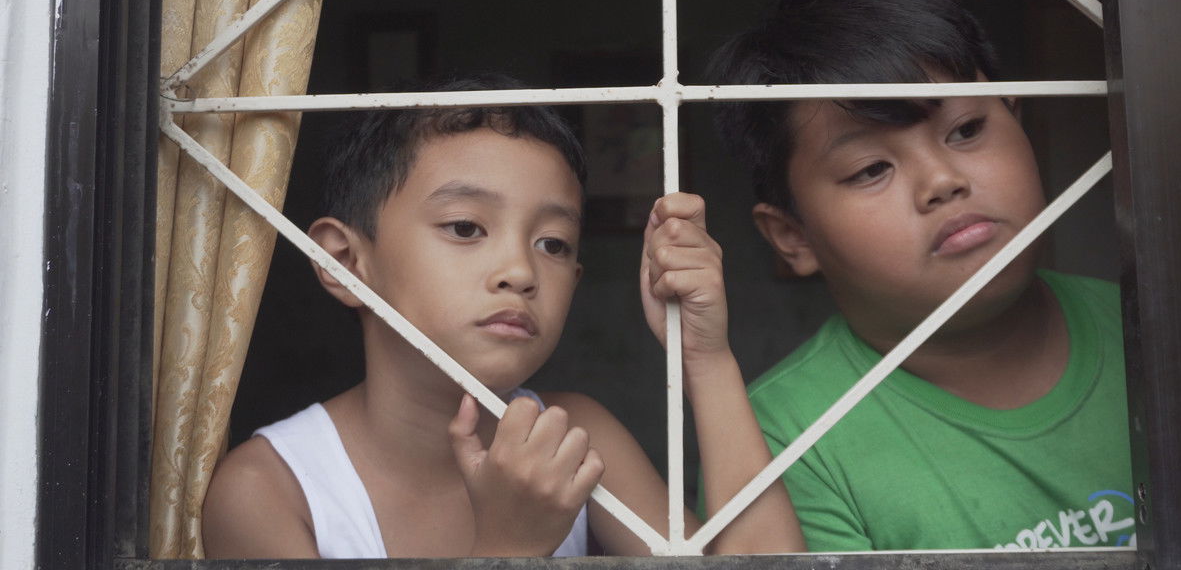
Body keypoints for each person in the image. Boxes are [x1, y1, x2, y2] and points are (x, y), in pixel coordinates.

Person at [202, 76, 803, 558]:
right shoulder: (271, 490)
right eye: (465, 228)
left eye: (554, 244)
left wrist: (704, 354)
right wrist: (510, 548)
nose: (520, 270)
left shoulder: (576, 437)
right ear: (345, 261)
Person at [707, 0, 1133, 551]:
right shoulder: (779, 443)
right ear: (792, 237)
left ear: (1018, 115)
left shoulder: (1156, 330)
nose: (942, 180)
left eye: (967, 129)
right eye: (871, 169)